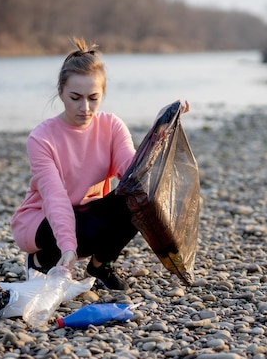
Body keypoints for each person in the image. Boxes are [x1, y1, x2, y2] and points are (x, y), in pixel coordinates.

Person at [11, 37, 189, 290]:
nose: (85, 107)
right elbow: (54, 196)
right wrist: (69, 247)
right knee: (84, 229)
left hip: (88, 211)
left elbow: (134, 173)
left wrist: (161, 128)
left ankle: (100, 265)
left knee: (139, 197)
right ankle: (41, 258)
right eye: (75, 97)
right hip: (43, 218)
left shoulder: (112, 125)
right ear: (61, 92)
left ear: (102, 94)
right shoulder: (41, 138)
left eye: (93, 98)